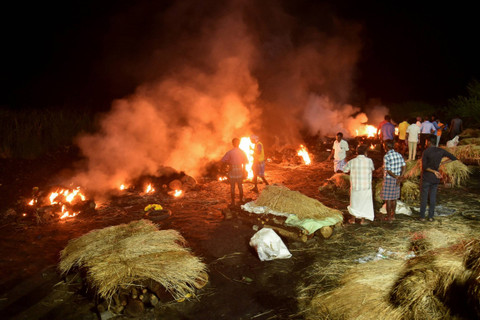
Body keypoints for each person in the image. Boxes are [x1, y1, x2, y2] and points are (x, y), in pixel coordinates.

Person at [419, 135, 458, 221]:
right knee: (433, 197)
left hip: (427, 177)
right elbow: (454, 158)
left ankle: (422, 217)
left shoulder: (426, 152)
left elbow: (424, 167)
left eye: (426, 141)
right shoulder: (440, 151)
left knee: (424, 197)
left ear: (428, 142)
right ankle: (430, 217)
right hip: (435, 178)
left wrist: (433, 171)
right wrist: (442, 163)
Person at [343, 144, 375, 225]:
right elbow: (373, 169)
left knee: (354, 202)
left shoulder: (352, 161)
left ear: (357, 152)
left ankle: (353, 219)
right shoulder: (369, 161)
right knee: (364, 203)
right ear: (365, 152)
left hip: (355, 186)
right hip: (365, 186)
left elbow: (344, 170)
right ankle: (363, 220)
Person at [380, 140, 405, 222]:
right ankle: (393, 215)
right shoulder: (399, 155)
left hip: (389, 179)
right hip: (397, 180)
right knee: (394, 199)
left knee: (388, 199)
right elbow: (404, 167)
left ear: (386, 147)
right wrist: (400, 177)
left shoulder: (386, 156)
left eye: (384, 146)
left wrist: (396, 177)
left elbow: (388, 170)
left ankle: (389, 217)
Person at [221, 138, 249, 206]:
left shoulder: (230, 152)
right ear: (239, 143)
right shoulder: (242, 152)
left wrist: (229, 164)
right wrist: (244, 170)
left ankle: (233, 201)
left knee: (232, 186)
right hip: (239, 169)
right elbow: (245, 162)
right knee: (240, 186)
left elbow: (223, 160)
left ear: (232, 144)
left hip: (232, 170)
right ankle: (241, 200)